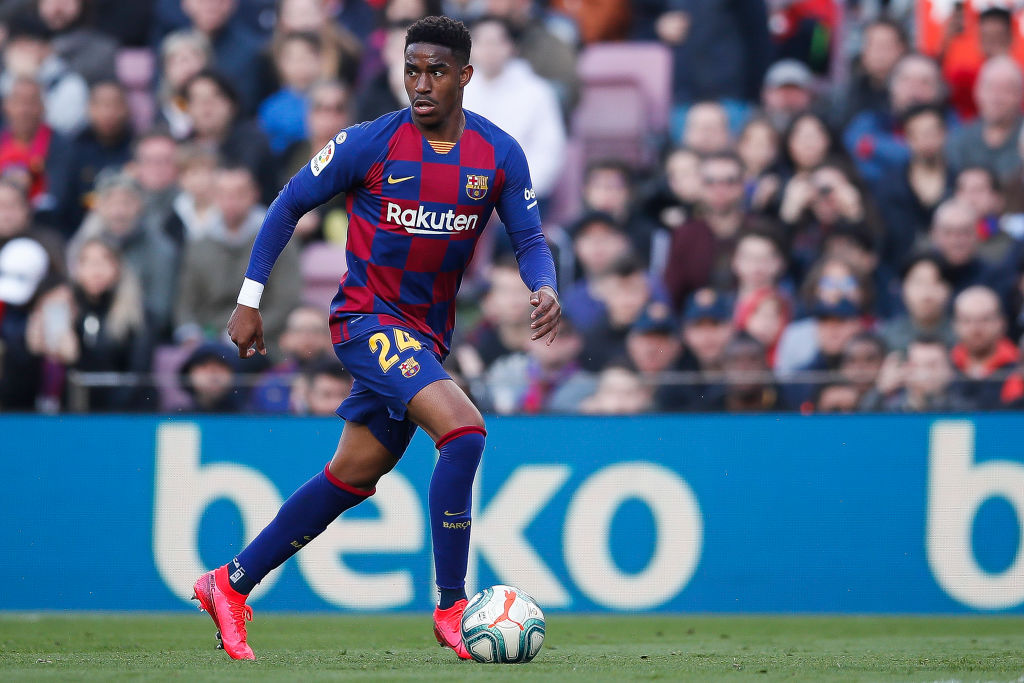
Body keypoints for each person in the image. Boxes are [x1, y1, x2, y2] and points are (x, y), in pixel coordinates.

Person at [190, 17, 560, 661]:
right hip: (366, 321)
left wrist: (544, 285)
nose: (420, 84)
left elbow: (528, 237)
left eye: (436, 71)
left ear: (465, 76)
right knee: (465, 432)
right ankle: (452, 607)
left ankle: (229, 582)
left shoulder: (499, 154)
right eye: (411, 69)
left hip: (425, 337)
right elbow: (286, 206)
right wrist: (248, 301)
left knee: (351, 476)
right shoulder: (368, 143)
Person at [945, 56, 1024, 181]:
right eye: (990, 88)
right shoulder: (959, 140)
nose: (996, 98)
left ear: (1020, 95)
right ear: (977, 92)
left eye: (1006, 90)